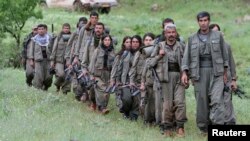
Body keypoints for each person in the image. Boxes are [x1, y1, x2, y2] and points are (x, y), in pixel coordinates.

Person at [181, 11, 229, 135]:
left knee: (217, 100)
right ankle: (204, 128)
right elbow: (186, 58)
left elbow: (225, 56)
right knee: (202, 102)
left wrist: (225, 73)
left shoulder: (218, 36)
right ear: (198, 22)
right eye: (201, 21)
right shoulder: (192, 38)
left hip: (216, 73)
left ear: (209, 21)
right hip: (199, 73)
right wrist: (185, 73)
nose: (203, 23)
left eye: (205, 20)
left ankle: (217, 127)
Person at [150, 23, 187, 137]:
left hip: (179, 76)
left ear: (176, 33)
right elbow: (149, 63)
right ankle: (167, 127)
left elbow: (187, 62)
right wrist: (159, 56)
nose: (171, 35)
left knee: (180, 102)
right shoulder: (159, 46)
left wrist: (186, 75)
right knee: (167, 105)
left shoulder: (181, 46)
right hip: (165, 78)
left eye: (173, 32)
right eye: (169, 33)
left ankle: (180, 127)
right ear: (165, 34)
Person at [210, 23, 237, 125]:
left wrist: (234, 79)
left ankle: (230, 123)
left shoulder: (226, 46)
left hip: (227, 77)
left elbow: (231, 63)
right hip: (214, 78)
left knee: (227, 101)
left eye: (218, 31)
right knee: (216, 101)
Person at [87, 34, 115, 114]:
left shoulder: (113, 51)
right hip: (98, 74)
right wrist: (91, 75)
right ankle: (102, 108)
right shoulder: (97, 50)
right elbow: (92, 63)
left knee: (107, 91)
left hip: (108, 74)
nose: (107, 42)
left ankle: (102, 106)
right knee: (102, 89)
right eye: (105, 40)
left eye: (108, 40)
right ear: (102, 41)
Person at [81, 22, 106, 108]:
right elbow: (85, 57)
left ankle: (102, 107)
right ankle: (93, 103)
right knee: (92, 89)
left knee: (102, 89)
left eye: (100, 28)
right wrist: (84, 69)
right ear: (94, 29)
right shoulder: (89, 41)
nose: (98, 30)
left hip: (102, 70)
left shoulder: (106, 41)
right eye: (97, 28)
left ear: (103, 30)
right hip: (91, 70)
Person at [110, 36, 134, 119]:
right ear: (124, 43)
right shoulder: (120, 55)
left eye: (130, 42)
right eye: (127, 42)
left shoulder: (137, 54)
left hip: (133, 80)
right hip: (123, 80)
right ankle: (125, 112)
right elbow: (115, 68)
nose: (129, 44)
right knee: (126, 98)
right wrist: (113, 79)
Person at [27, 24, 53, 90]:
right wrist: (31, 60)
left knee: (49, 77)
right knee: (39, 76)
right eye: (39, 29)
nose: (41, 31)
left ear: (45, 30)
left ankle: (46, 87)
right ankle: (38, 89)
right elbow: (30, 50)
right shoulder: (34, 39)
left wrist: (53, 60)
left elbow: (53, 49)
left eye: (42, 29)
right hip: (38, 60)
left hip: (48, 60)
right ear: (37, 30)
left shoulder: (49, 38)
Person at [50, 23, 72, 94]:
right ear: (62, 29)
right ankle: (57, 85)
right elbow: (54, 49)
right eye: (65, 28)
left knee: (68, 76)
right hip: (59, 60)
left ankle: (65, 91)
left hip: (69, 61)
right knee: (60, 74)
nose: (66, 30)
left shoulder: (72, 37)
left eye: (67, 28)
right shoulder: (58, 37)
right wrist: (52, 60)